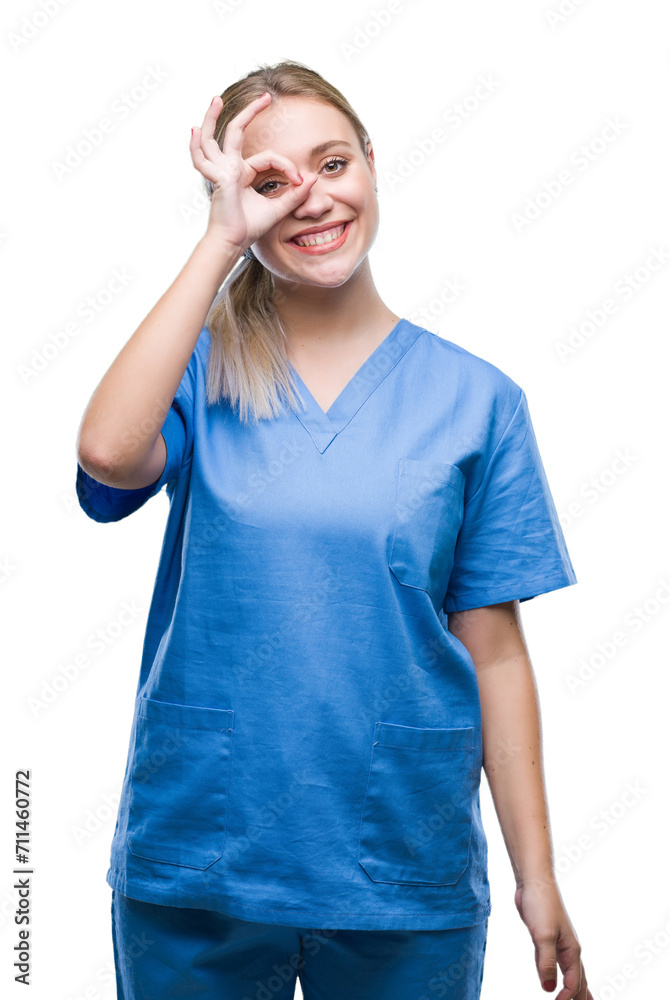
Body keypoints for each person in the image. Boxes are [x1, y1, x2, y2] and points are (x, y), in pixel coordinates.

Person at [75, 60, 593, 1000]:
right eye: (268, 183)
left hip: (400, 866)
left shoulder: (478, 402)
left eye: (332, 162)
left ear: (372, 167)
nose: (310, 199)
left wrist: (537, 875)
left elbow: (496, 654)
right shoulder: (195, 372)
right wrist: (219, 241)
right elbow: (110, 453)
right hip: (201, 859)